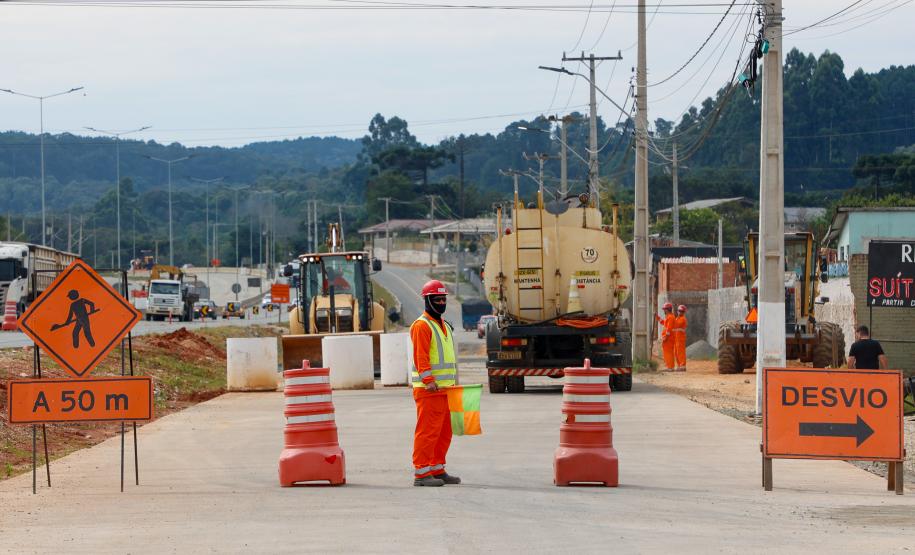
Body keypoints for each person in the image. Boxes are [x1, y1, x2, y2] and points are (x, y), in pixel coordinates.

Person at [410, 279, 461, 487]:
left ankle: (437, 468)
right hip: (429, 390)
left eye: (443, 299)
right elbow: (420, 356)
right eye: (437, 299)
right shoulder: (422, 326)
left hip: (446, 389)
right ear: (427, 300)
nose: (441, 302)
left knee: (444, 432)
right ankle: (421, 473)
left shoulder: (445, 326)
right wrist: (428, 379)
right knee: (428, 431)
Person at [655, 302, 675, 371]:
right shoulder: (669, 317)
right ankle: (669, 366)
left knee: (668, 353)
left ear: (667, 309)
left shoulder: (671, 317)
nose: (664, 310)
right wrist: (658, 318)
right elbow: (664, 323)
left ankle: (670, 367)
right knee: (668, 352)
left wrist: (666, 337)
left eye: (664, 309)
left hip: (668, 339)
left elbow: (669, 329)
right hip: (668, 338)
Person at [672, 305, 688, 372]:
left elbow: (676, 325)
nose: (680, 312)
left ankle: (683, 366)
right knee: (676, 352)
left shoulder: (682, 319)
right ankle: (679, 366)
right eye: (679, 311)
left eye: (681, 311)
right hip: (676, 338)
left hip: (680, 339)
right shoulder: (677, 318)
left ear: (684, 312)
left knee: (680, 352)